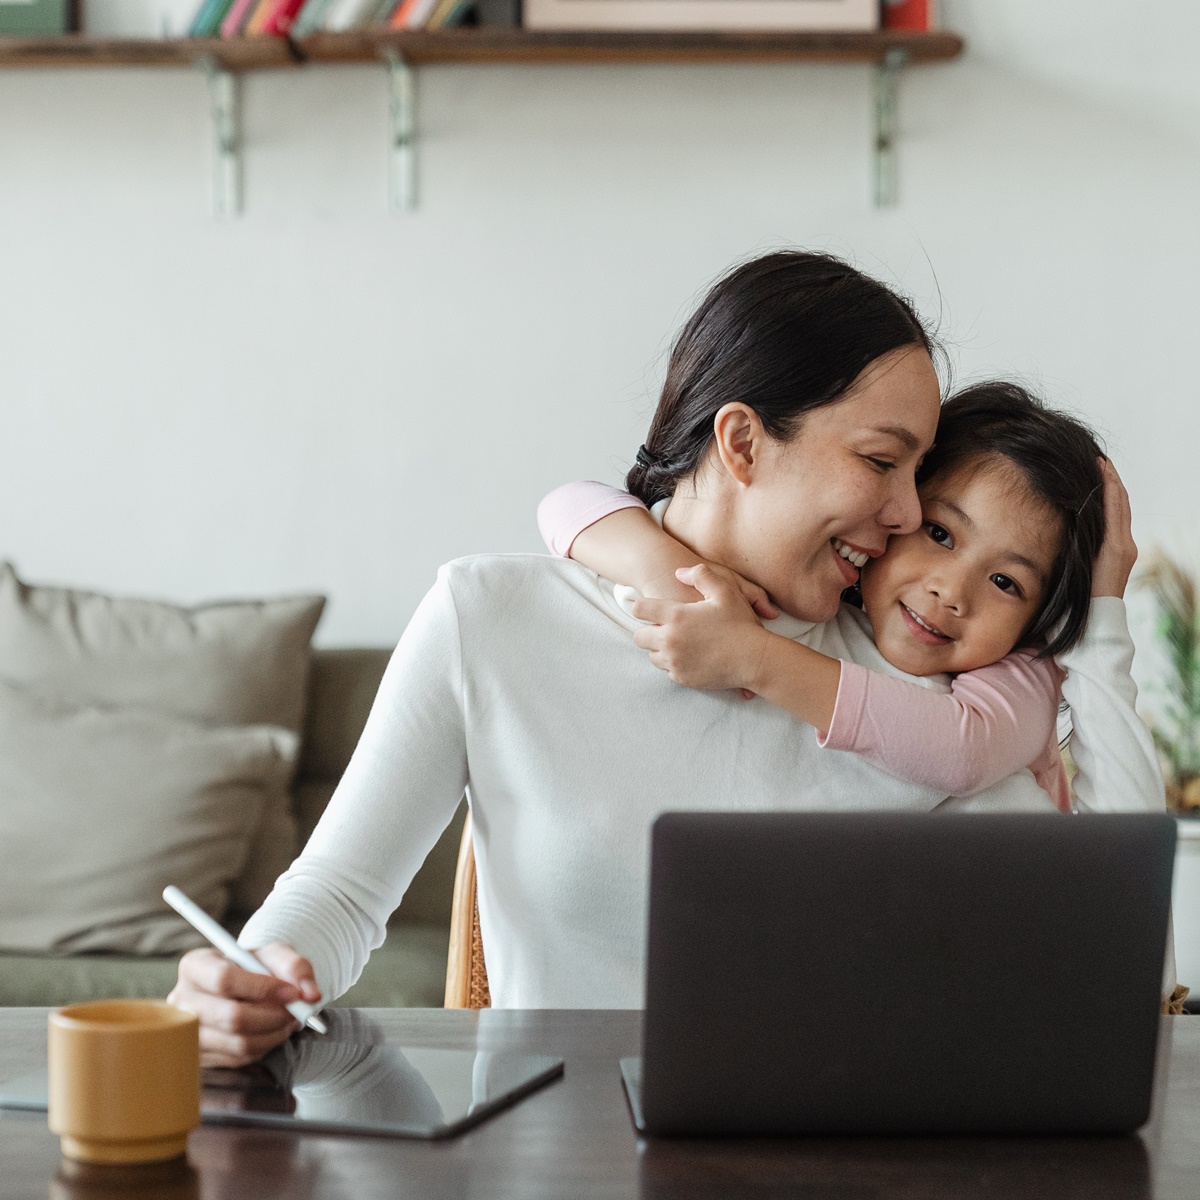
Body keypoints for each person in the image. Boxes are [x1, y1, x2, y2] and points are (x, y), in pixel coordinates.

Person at [168, 251, 1163, 1067]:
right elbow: (340, 896)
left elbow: (1110, 933)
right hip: (552, 1163)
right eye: (879, 462)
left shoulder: (925, 687)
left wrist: (1106, 612)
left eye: (918, 473)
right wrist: (251, 974)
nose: (906, 515)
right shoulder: (492, 617)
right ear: (741, 442)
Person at [537, 382, 1140, 811]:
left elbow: (962, 750)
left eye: (1007, 583)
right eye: (939, 533)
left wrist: (753, 657)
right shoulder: (830, 597)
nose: (951, 592)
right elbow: (566, 502)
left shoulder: (1021, 671)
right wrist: (668, 571)